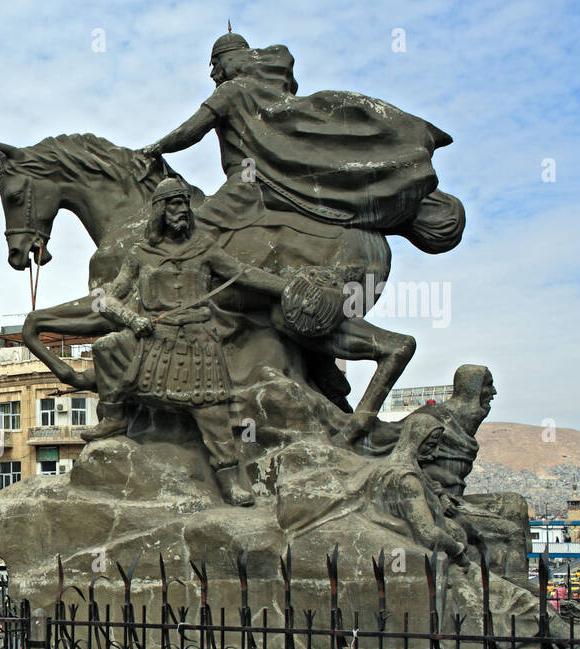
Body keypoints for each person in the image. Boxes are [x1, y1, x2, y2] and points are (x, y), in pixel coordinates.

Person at [83, 176, 314, 505]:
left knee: (212, 414)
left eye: (185, 205)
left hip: (197, 342)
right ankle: (113, 418)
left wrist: (286, 288)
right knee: (104, 348)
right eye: (175, 205)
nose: (182, 211)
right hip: (153, 339)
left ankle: (230, 479)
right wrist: (132, 319)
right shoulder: (141, 253)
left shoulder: (203, 247)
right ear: (160, 210)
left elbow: (242, 273)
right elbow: (107, 299)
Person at [140, 31, 463, 253]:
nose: (212, 74)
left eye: (214, 64)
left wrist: (155, 148)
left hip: (248, 183)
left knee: (196, 232)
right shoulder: (269, 92)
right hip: (267, 180)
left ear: (228, 61)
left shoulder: (232, 90)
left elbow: (191, 131)